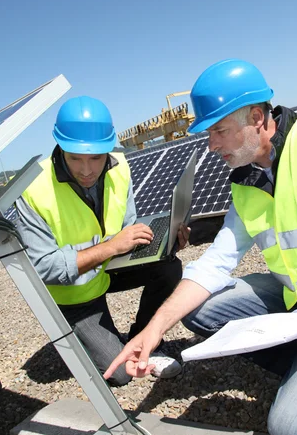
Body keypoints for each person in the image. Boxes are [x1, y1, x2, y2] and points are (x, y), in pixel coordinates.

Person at [104, 59, 297, 435]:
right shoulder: (246, 181)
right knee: (201, 309)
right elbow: (215, 263)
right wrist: (152, 332)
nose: (211, 145)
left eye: (219, 131)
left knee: (292, 431)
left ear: (258, 117)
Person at [15, 95, 189, 385]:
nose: (86, 170)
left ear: (108, 149)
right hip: (74, 293)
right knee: (120, 375)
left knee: (169, 265)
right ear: (59, 146)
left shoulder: (120, 168)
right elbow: (43, 268)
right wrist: (110, 247)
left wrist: (165, 242)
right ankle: (85, 340)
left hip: (108, 269)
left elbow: (127, 228)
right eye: (75, 158)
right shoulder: (33, 189)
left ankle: (141, 340)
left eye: (95, 157)